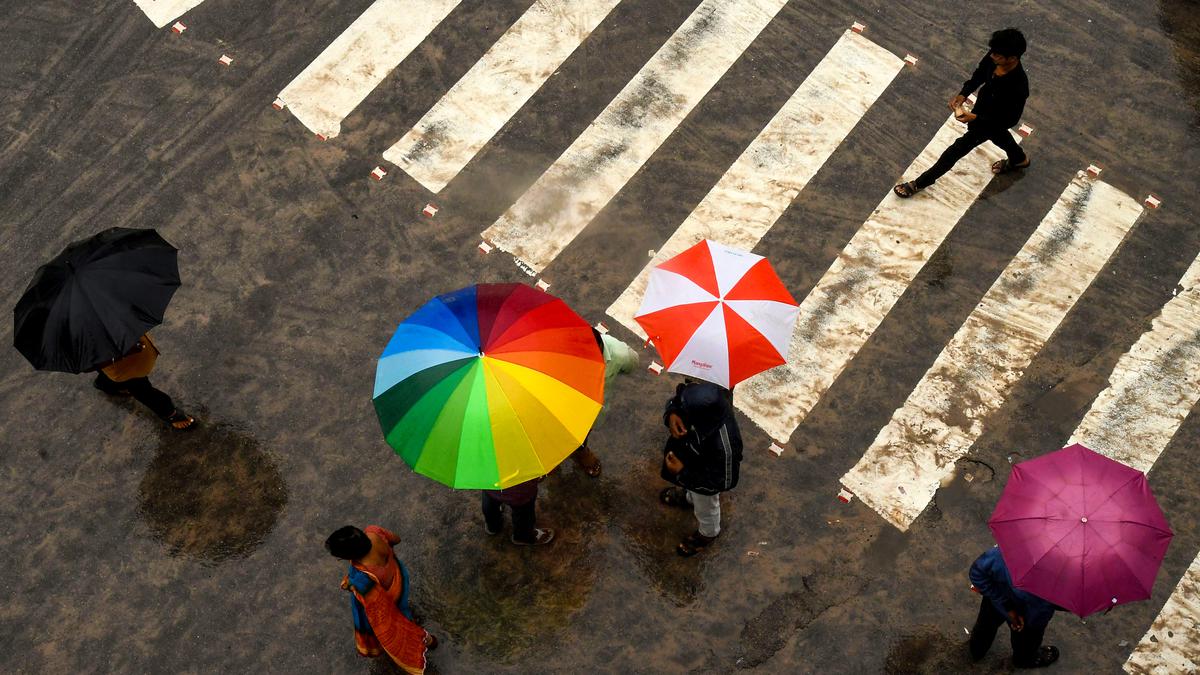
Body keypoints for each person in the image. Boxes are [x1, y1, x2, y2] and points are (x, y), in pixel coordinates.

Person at [894, 28, 1030, 198]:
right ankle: (1019, 159)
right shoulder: (995, 57)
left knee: (955, 151)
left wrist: (976, 118)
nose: (992, 57)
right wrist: (963, 94)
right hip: (982, 108)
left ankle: (920, 183)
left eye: (998, 56)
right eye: (993, 53)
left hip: (991, 120)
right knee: (999, 136)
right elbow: (979, 74)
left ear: (1012, 58)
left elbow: (1009, 120)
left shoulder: (1018, 87)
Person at [325, 525, 437, 674]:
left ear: (349, 556)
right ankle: (431, 641)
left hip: (390, 598)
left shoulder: (362, 576)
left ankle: (426, 640)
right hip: (400, 580)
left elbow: (375, 605)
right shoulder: (374, 532)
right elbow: (397, 538)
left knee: (401, 626)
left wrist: (350, 584)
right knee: (404, 613)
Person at [657, 379, 742, 556]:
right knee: (693, 493)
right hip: (691, 457)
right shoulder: (697, 397)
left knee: (706, 507)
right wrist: (672, 412)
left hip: (706, 479)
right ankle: (689, 497)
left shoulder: (725, 445)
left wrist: (682, 472)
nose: (683, 412)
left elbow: (723, 481)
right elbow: (677, 398)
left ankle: (708, 534)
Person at [968, 545, 1059, 668]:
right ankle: (1022, 661)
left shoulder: (1008, 550)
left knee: (985, 626)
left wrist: (1005, 605)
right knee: (1026, 644)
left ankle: (975, 651)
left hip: (997, 602)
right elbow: (1048, 610)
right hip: (1030, 618)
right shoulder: (1067, 582)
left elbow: (978, 573)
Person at [571, 328, 639, 478]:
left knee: (582, 430)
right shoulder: (566, 352)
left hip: (590, 409)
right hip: (564, 399)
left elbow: (633, 362)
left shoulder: (620, 354)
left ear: (601, 347)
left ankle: (581, 450)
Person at [91, 332, 195, 430]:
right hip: (119, 359)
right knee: (139, 387)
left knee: (98, 359)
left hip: (108, 352)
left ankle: (106, 383)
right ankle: (168, 413)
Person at [482, 477, 554, 546]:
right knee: (524, 515)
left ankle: (493, 526)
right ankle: (522, 537)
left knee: (490, 503)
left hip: (490, 485)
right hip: (520, 492)